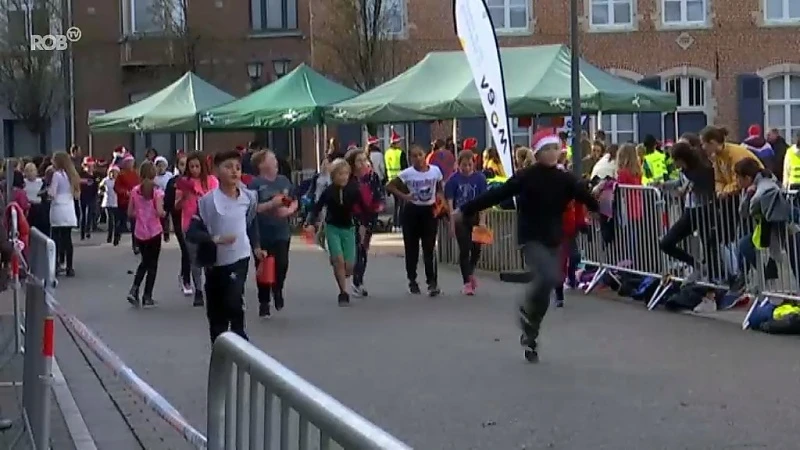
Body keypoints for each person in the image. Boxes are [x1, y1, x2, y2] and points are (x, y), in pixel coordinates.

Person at [452, 130, 599, 363]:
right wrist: (465, 209)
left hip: (553, 238)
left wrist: (600, 206)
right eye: (546, 150)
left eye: (555, 149)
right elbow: (496, 194)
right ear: (537, 153)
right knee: (548, 277)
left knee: (549, 284)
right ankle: (526, 311)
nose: (552, 154)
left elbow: (586, 196)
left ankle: (531, 333)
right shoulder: (526, 176)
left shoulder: (565, 179)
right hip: (530, 238)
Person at [186, 150, 264, 344]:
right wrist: (214, 238)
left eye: (237, 167)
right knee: (216, 314)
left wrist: (256, 247)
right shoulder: (207, 202)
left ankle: (241, 338)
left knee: (233, 300)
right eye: (228, 167)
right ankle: (219, 349)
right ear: (216, 171)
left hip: (240, 257)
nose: (234, 172)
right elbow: (192, 232)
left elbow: (251, 222)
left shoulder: (248, 197)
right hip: (215, 262)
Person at [304, 158, 370, 306]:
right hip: (332, 227)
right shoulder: (329, 191)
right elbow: (317, 207)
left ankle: (339, 268)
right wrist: (310, 222)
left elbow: (364, 208)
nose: (344, 177)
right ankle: (343, 292)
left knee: (349, 266)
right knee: (338, 260)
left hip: (349, 228)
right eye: (340, 174)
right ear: (334, 176)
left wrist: (365, 225)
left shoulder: (353, 189)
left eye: (346, 174)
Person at [386, 144, 445, 297]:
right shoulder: (407, 173)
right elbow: (390, 186)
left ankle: (432, 282)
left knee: (429, 247)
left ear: (425, 155)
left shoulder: (435, 171)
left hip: (429, 210)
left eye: (420, 155)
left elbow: (439, 187)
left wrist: (440, 200)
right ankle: (412, 280)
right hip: (412, 211)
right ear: (410, 159)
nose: (418, 158)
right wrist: (405, 197)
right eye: (414, 156)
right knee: (411, 248)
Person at [657, 141, 719, 285]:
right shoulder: (684, 171)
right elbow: (681, 183)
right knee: (666, 243)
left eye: (676, 160)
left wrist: (686, 187)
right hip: (690, 211)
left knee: (709, 246)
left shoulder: (701, 169)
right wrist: (664, 185)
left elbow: (702, 185)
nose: (674, 164)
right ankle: (697, 265)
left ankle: (714, 280)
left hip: (705, 209)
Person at [248, 150, 297, 318]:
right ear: (262, 164)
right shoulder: (255, 184)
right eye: (271, 159)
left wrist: (289, 210)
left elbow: (294, 200)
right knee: (263, 267)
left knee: (282, 264)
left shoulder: (283, 181)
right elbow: (252, 209)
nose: (275, 161)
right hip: (262, 232)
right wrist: (271, 204)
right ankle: (264, 302)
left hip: (281, 231)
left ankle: (278, 289)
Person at [176, 152, 219, 306]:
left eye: (197, 166)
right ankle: (198, 291)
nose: (194, 170)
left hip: (208, 223)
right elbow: (177, 205)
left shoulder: (211, 181)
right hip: (189, 224)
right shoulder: (184, 182)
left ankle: (210, 288)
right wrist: (184, 196)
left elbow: (217, 200)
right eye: (191, 166)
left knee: (209, 259)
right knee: (194, 259)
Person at [444, 150, 487, 295]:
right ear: (458, 164)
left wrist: (482, 221)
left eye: (469, 165)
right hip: (460, 216)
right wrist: (451, 224)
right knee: (465, 248)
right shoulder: (453, 180)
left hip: (475, 215)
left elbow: (484, 202)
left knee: (476, 248)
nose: (467, 168)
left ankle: (470, 272)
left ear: (474, 164)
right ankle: (467, 282)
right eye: (464, 165)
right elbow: (450, 203)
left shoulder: (480, 179)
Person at [346, 148, 385, 297]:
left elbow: (379, 193)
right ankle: (355, 279)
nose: (363, 163)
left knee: (363, 248)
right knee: (357, 246)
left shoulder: (372, 177)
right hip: (354, 217)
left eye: (365, 160)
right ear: (352, 164)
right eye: (359, 161)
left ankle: (358, 280)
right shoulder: (348, 178)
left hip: (370, 216)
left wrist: (379, 205)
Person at [126, 161, 166, 308]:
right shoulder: (157, 192)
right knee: (153, 265)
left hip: (140, 232)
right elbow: (160, 212)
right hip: (154, 231)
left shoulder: (135, 191)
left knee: (144, 262)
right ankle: (147, 295)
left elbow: (130, 212)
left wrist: (140, 214)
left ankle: (134, 288)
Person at [164, 152, 194, 296]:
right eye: (182, 164)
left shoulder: (195, 180)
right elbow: (167, 204)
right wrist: (166, 226)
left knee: (195, 251)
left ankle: (190, 277)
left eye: (187, 164)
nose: (185, 167)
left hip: (194, 219)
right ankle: (186, 279)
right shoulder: (173, 182)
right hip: (178, 220)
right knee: (186, 249)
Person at [49, 152, 80, 277]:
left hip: (58, 207)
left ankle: (56, 264)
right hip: (69, 207)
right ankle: (69, 267)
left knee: (56, 238)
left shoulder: (57, 175)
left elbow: (52, 192)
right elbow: (77, 194)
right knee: (67, 239)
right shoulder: (72, 175)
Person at [114, 153, 140, 250]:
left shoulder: (136, 174)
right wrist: (125, 192)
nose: (130, 164)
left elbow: (140, 185)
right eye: (128, 162)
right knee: (121, 221)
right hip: (124, 202)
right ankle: (117, 235)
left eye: (132, 162)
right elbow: (116, 187)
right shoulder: (121, 174)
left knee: (134, 223)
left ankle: (135, 244)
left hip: (134, 202)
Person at [79, 157, 99, 240]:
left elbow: (97, 186)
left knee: (89, 213)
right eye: (88, 166)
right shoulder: (81, 174)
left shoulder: (95, 175)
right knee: (83, 215)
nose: (90, 167)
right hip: (83, 196)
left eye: (92, 166)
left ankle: (88, 230)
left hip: (92, 196)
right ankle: (82, 232)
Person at [153, 156, 173, 241]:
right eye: (158, 166)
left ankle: (166, 233)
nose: (160, 168)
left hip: (166, 198)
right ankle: (158, 231)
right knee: (158, 216)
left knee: (166, 216)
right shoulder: (154, 178)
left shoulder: (169, 176)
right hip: (157, 200)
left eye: (162, 166)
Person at [23, 162, 47, 233]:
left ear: (36, 171)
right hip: (28, 208)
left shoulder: (42, 182)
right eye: (27, 171)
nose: (30, 173)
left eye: (32, 170)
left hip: (39, 208)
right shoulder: (23, 183)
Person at [100, 166, 120, 244]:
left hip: (117, 202)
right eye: (111, 172)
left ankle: (116, 237)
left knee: (117, 221)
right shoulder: (106, 180)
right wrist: (101, 190)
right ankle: (109, 236)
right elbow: (100, 187)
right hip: (107, 202)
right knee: (110, 220)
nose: (112, 174)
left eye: (114, 172)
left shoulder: (119, 181)